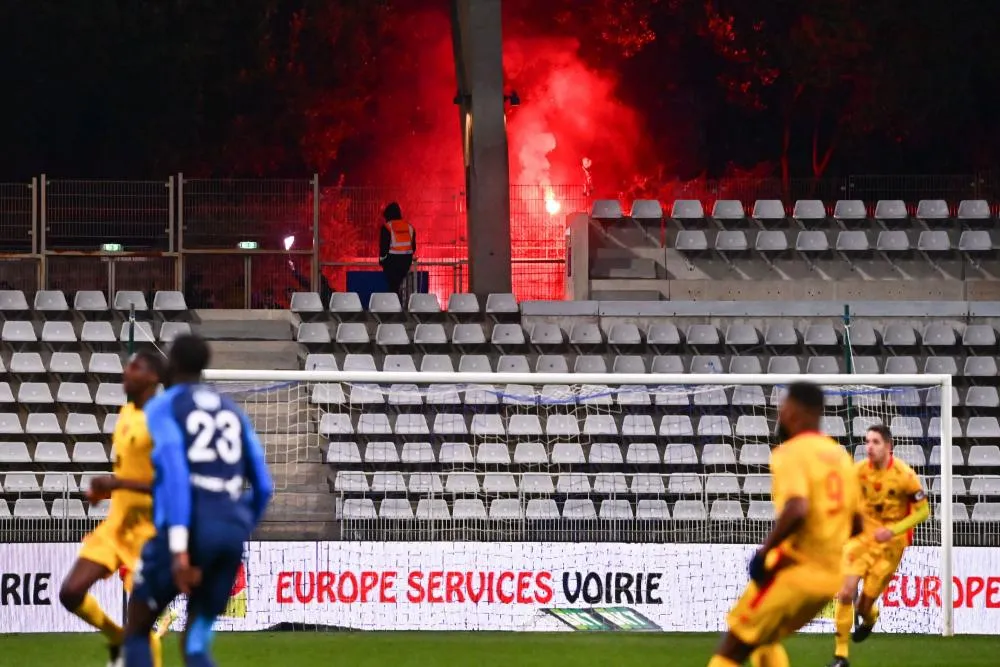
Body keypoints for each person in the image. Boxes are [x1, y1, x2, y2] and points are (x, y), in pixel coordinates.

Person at [123, 334, 273, 667]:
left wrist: (179, 548)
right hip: (229, 536)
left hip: (186, 532)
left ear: (171, 365)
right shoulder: (232, 411)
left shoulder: (164, 406)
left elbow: (175, 471)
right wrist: (236, 524)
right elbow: (263, 486)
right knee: (194, 645)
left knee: (136, 629)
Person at [708, 382, 862, 667]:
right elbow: (857, 524)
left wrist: (764, 552)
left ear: (796, 411)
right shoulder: (842, 458)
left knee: (733, 646)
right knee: (764, 640)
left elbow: (798, 508)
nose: (780, 412)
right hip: (829, 581)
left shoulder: (791, 453)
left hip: (794, 570)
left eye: (784, 405)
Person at [59, 351, 168, 667]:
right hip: (116, 527)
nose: (126, 370)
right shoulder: (125, 413)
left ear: (153, 378)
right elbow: (129, 472)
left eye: (135, 367)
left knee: (141, 623)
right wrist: (103, 491)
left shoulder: (162, 424)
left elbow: (169, 485)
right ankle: (116, 637)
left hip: (149, 535)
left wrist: (115, 484)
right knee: (70, 593)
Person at [828, 424, 929, 667]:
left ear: (888, 446)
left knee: (863, 605)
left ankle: (869, 618)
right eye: (867, 441)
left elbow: (924, 511)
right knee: (844, 592)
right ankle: (841, 656)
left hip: (890, 546)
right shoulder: (859, 471)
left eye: (875, 442)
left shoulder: (905, 476)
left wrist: (893, 530)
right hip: (861, 540)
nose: (869, 447)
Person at [378, 202, 415, 296]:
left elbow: (383, 248)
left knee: (392, 286)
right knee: (398, 285)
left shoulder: (387, 227)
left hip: (391, 262)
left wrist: (382, 260)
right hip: (406, 262)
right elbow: (413, 248)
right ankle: (399, 303)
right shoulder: (410, 227)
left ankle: (394, 306)